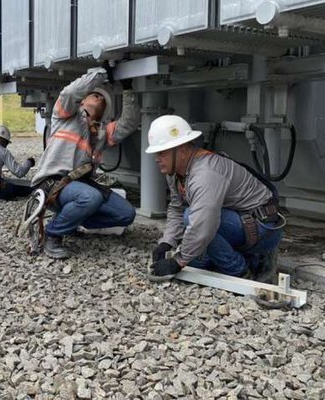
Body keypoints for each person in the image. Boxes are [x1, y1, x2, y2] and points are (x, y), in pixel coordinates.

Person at [146, 115, 284, 281]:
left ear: (181, 151)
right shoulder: (175, 172)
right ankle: (252, 259)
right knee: (197, 262)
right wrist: (167, 242)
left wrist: (178, 261)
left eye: (161, 153)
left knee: (192, 219)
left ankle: (240, 270)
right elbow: (177, 206)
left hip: (264, 229)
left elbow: (202, 223)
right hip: (242, 221)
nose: (157, 159)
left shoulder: (205, 174)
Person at [30, 67, 140, 259]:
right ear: (83, 100)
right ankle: (52, 234)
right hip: (52, 183)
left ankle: (70, 222)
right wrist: (101, 74)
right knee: (91, 198)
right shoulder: (65, 116)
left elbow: (129, 123)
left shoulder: (102, 133)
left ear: (105, 111)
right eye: (94, 94)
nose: (99, 98)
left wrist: (128, 89)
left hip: (80, 186)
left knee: (126, 214)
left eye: (103, 99)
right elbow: (70, 92)